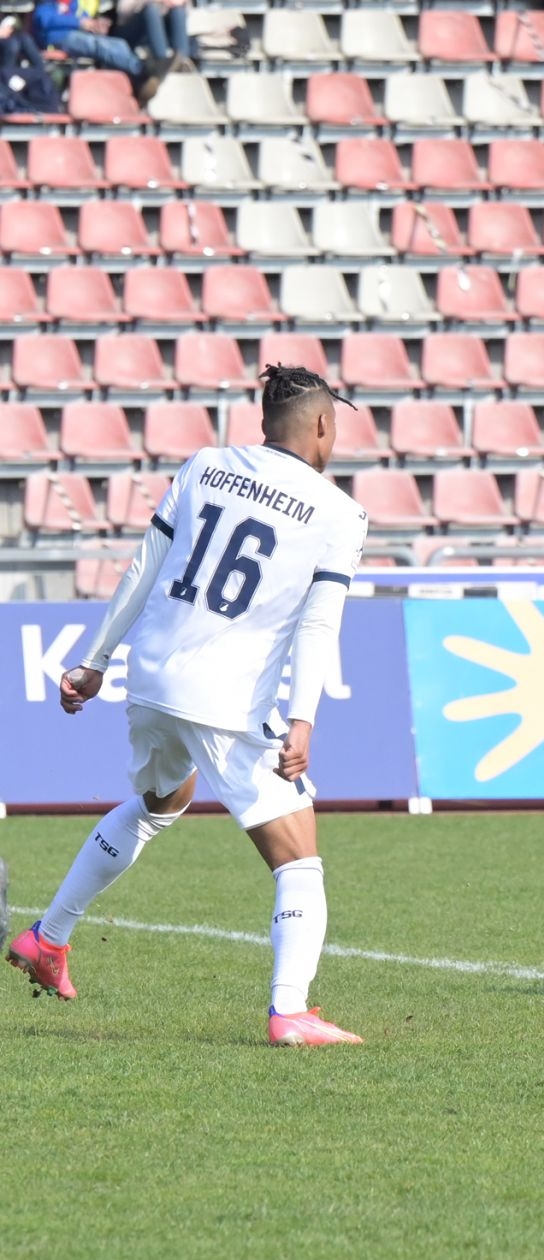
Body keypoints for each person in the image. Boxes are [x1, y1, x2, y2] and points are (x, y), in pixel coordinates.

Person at [7, 365, 371, 1047]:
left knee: (161, 804)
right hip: (229, 698)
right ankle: (290, 1011)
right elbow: (320, 626)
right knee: (298, 859)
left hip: (151, 676)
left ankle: (47, 938)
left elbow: (143, 568)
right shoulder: (339, 513)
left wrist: (95, 661)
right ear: (323, 425)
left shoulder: (205, 466)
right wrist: (302, 717)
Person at [32, 0, 163, 100]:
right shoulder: (45, 3)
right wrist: (79, 22)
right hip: (55, 39)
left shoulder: (72, 3)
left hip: (76, 36)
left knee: (118, 43)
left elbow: (83, 18)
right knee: (96, 45)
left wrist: (95, 24)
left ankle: (136, 82)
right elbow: (44, 20)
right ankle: (142, 70)